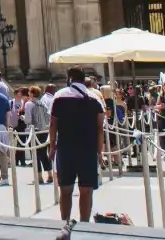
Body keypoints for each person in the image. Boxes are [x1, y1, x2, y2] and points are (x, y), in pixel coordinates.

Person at [48, 66, 105, 240]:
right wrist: (99, 152)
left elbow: (53, 124)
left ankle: (64, 223)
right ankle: (85, 225)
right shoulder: (95, 99)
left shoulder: (59, 97)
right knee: (86, 190)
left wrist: (52, 146)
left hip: (66, 148)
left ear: (70, 78)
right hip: (87, 149)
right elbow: (100, 128)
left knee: (65, 189)